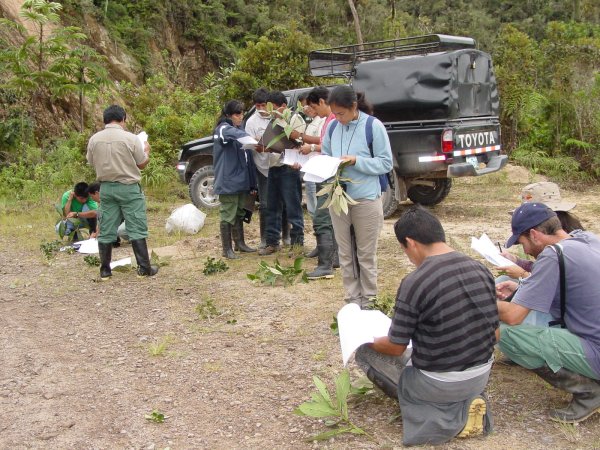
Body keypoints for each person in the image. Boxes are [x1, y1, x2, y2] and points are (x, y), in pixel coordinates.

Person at [355, 206, 498, 446]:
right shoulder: (481, 269)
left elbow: (396, 348)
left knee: (366, 353)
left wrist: (368, 339)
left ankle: (446, 416)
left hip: (438, 383)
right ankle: (468, 402)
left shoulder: (415, 281)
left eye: (404, 249)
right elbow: (495, 333)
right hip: (481, 375)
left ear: (410, 243)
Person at [496, 202, 600, 423]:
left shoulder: (553, 255)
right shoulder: (587, 239)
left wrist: (476, 300)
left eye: (522, 242)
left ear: (534, 235)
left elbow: (514, 316)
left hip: (596, 350)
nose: (524, 251)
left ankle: (589, 392)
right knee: (510, 286)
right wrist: (521, 286)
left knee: (505, 333)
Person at [320, 85, 393, 306]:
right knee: (345, 252)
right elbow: (326, 155)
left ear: (353, 107)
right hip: (338, 198)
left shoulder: (373, 126)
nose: (338, 118)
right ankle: (352, 300)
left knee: (366, 254)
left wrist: (356, 161)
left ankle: (370, 301)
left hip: (366, 199)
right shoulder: (333, 127)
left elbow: (385, 162)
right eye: (335, 114)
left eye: (341, 113)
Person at [86, 105, 158, 280]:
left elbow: (90, 162)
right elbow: (141, 163)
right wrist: (146, 151)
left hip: (106, 188)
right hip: (128, 187)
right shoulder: (131, 138)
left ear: (105, 119)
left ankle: (105, 270)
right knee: (136, 227)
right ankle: (144, 268)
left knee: (107, 227)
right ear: (123, 119)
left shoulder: (94, 139)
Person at [498, 181, 584, 280]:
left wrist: (523, 275)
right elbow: (543, 268)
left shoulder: (566, 247)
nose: (526, 251)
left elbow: (552, 279)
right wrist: (517, 261)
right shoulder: (576, 237)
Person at [258, 91, 306, 255]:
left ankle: (297, 243)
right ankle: (272, 242)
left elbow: (301, 142)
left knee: (293, 206)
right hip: (274, 166)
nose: (270, 111)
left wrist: (284, 126)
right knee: (272, 206)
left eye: (273, 108)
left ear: (283, 106)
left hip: (289, 168)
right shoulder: (272, 121)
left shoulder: (295, 119)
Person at [300, 86, 338, 279]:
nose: (315, 111)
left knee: (323, 218)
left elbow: (331, 147)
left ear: (322, 102)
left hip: (328, 175)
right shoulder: (329, 120)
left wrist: (313, 146)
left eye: (315, 106)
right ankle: (335, 258)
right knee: (333, 218)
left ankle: (325, 265)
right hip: (326, 173)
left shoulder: (332, 120)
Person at [213, 100, 257, 259]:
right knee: (228, 214)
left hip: (240, 180)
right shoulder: (223, 129)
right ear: (228, 115)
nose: (241, 116)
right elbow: (232, 134)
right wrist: (252, 138)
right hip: (228, 181)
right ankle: (227, 249)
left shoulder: (238, 129)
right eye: (237, 114)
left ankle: (240, 243)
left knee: (239, 212)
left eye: (242, 113)